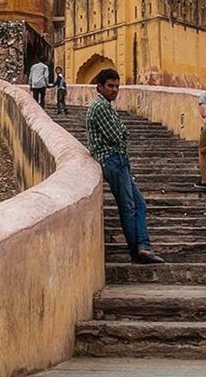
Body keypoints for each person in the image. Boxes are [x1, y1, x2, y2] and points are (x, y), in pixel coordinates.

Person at [86, 68, 164, 264]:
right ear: (100, 87)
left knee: (138, 204)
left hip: (119, 159)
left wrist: (121, 131)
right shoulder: (100, 107)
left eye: (117, 86)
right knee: (128, 206)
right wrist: (121, 131)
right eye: (110, 86)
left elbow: (122, 132)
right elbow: (116, 135)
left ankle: (143, 246)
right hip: (112, 159)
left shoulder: (107, 106)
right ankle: (136, 249)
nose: (114, 90)